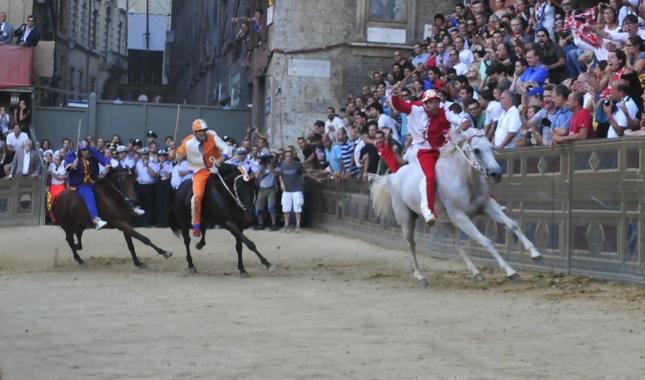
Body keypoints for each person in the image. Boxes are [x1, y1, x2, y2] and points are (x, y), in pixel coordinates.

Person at [390, 87, 450, 225]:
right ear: (425, 103)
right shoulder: (414, 108)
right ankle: (427, 208)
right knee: (428, 177)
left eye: (436, 101)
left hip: (440, 148)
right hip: (421, 150)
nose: (434, 104)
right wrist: (394, 95)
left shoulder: (440, 113)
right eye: (431, 102)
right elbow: (399, 105)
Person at [172, 119, 228, 237]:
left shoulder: (212, 135)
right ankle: (196, 225)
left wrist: (221, 159)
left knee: (240, 176)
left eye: (204, 130)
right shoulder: (187, 141)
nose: (203, 133)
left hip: (217, 166)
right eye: (200, 131)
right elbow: (177, 157)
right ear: (195, 132)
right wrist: (173, 154)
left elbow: (227, 148)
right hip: (199, 171)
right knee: (197, 197)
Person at [64, 141, 111, 229]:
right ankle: (95, 219)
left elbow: (103, 159)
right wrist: (72, 165)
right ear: (79, 151)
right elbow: (67, 165)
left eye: (87, 150)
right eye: (83, 150)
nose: (86, 152)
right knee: (89, 194)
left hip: (94, 180)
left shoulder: (93, 152)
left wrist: (107, 166)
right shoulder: (72, 155)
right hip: (80, 184)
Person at [278, 149, 305, 233]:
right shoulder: (282, 165)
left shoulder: (297, 165)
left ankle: (298, 225)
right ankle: (286, 225)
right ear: (284, 157)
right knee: (286, 208)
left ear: (292, 156)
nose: (288, 158)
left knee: (297, 207)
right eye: (287, 156)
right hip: (286, 190)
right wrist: (281, 183)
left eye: (290, 156)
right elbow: (280, 175)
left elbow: (303, 173)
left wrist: (301, 182)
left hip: (297, 189)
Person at [254, 152, 279, 230]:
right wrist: (261, 167)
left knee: (271, 208)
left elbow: (276, 174)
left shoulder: (275, 166)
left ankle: (274, 224)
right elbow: (256, 176)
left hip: (271, 189)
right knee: (258, 208)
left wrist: (270, 168)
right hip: (262, 190)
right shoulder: (260, 167)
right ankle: (261, 224)